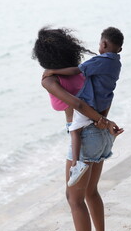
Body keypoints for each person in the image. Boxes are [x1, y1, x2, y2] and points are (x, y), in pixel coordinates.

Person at [32, 27, 123, 231]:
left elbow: (77, 105)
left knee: (74, 199)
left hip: (86, 135)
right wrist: (105, 121)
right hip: (101, 135)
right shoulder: (84, 70)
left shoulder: (50, 79)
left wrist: (101, 121)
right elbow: (106, 92)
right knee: (91, 192)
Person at [43, 27, 124, 188]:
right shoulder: (116, 64)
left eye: (100, 43)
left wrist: (52, 70)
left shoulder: (100, 60)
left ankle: (76, 164)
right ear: (120, 49)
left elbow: (77, 72)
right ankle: (81, 158)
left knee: (74, 130)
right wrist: (104, 120)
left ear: (104, 44)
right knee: (92, 192)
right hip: (101, 113)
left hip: (90, 113)